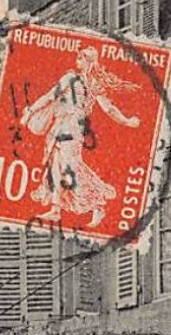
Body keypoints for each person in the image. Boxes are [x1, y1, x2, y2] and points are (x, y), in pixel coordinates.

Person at [20, 45, 142, 229]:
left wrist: (30, 111)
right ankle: (55, 207)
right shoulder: (89, 83)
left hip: (70, 127)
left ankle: (97, 205)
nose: (77, 61)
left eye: (80, 58)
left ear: (87, 61)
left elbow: (50, 97)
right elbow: (108, 108)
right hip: (60, 127)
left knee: (71, 168)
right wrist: (126, 121)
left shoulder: (78, 80)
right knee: (55, 165)